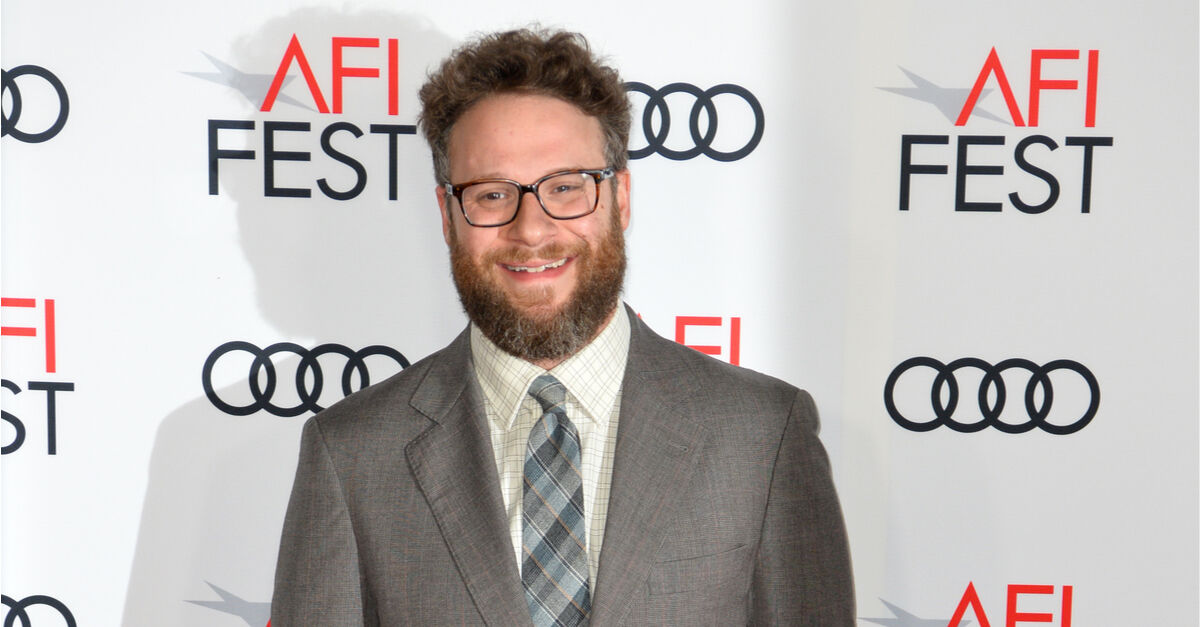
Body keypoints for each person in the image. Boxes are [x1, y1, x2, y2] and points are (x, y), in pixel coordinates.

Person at [271, 27, 854, 626]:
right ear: (447, 215)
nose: (531, 229)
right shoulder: (351, 456)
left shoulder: (761, 436)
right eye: (492, 195)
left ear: (620, 198)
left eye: (566, 188)